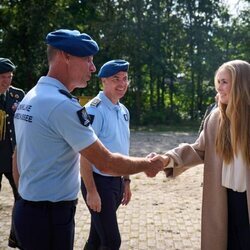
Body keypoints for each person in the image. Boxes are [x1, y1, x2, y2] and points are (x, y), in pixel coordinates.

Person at [12, 29, 165, 250]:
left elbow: (17, 154)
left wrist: (25, 197)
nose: (92, 67)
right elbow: (106, 162)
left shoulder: (32, 96)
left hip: (29, 210)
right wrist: (147, 165)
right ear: (66, 56)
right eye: (87, 59)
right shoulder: (62, 105)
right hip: (50, 216)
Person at [151, 60, 250, 250]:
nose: (218, 88)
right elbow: (198, 149)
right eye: (218, 82)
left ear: (241, 84)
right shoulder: (215, 119)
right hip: (224, 203)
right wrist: (167, 159)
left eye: (224, 82)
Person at [81, 59, 132, 250]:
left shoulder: (123, 110)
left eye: (125, 79)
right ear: (103, 81)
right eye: (116, 79)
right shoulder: (94, 110)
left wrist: (126, 181)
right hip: (98, 182)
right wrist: (92, 191)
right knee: (112, 241)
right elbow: (84, 154)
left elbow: (123, 148)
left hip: (116, 182)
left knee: (96, 239)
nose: (122, 84)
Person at [0, 57, 25, 248]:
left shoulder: (17, 95)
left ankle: (16, 238)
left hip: (13, 157)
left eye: (9, 76)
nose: (7, 81)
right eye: (2, 77)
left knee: (21, 197)